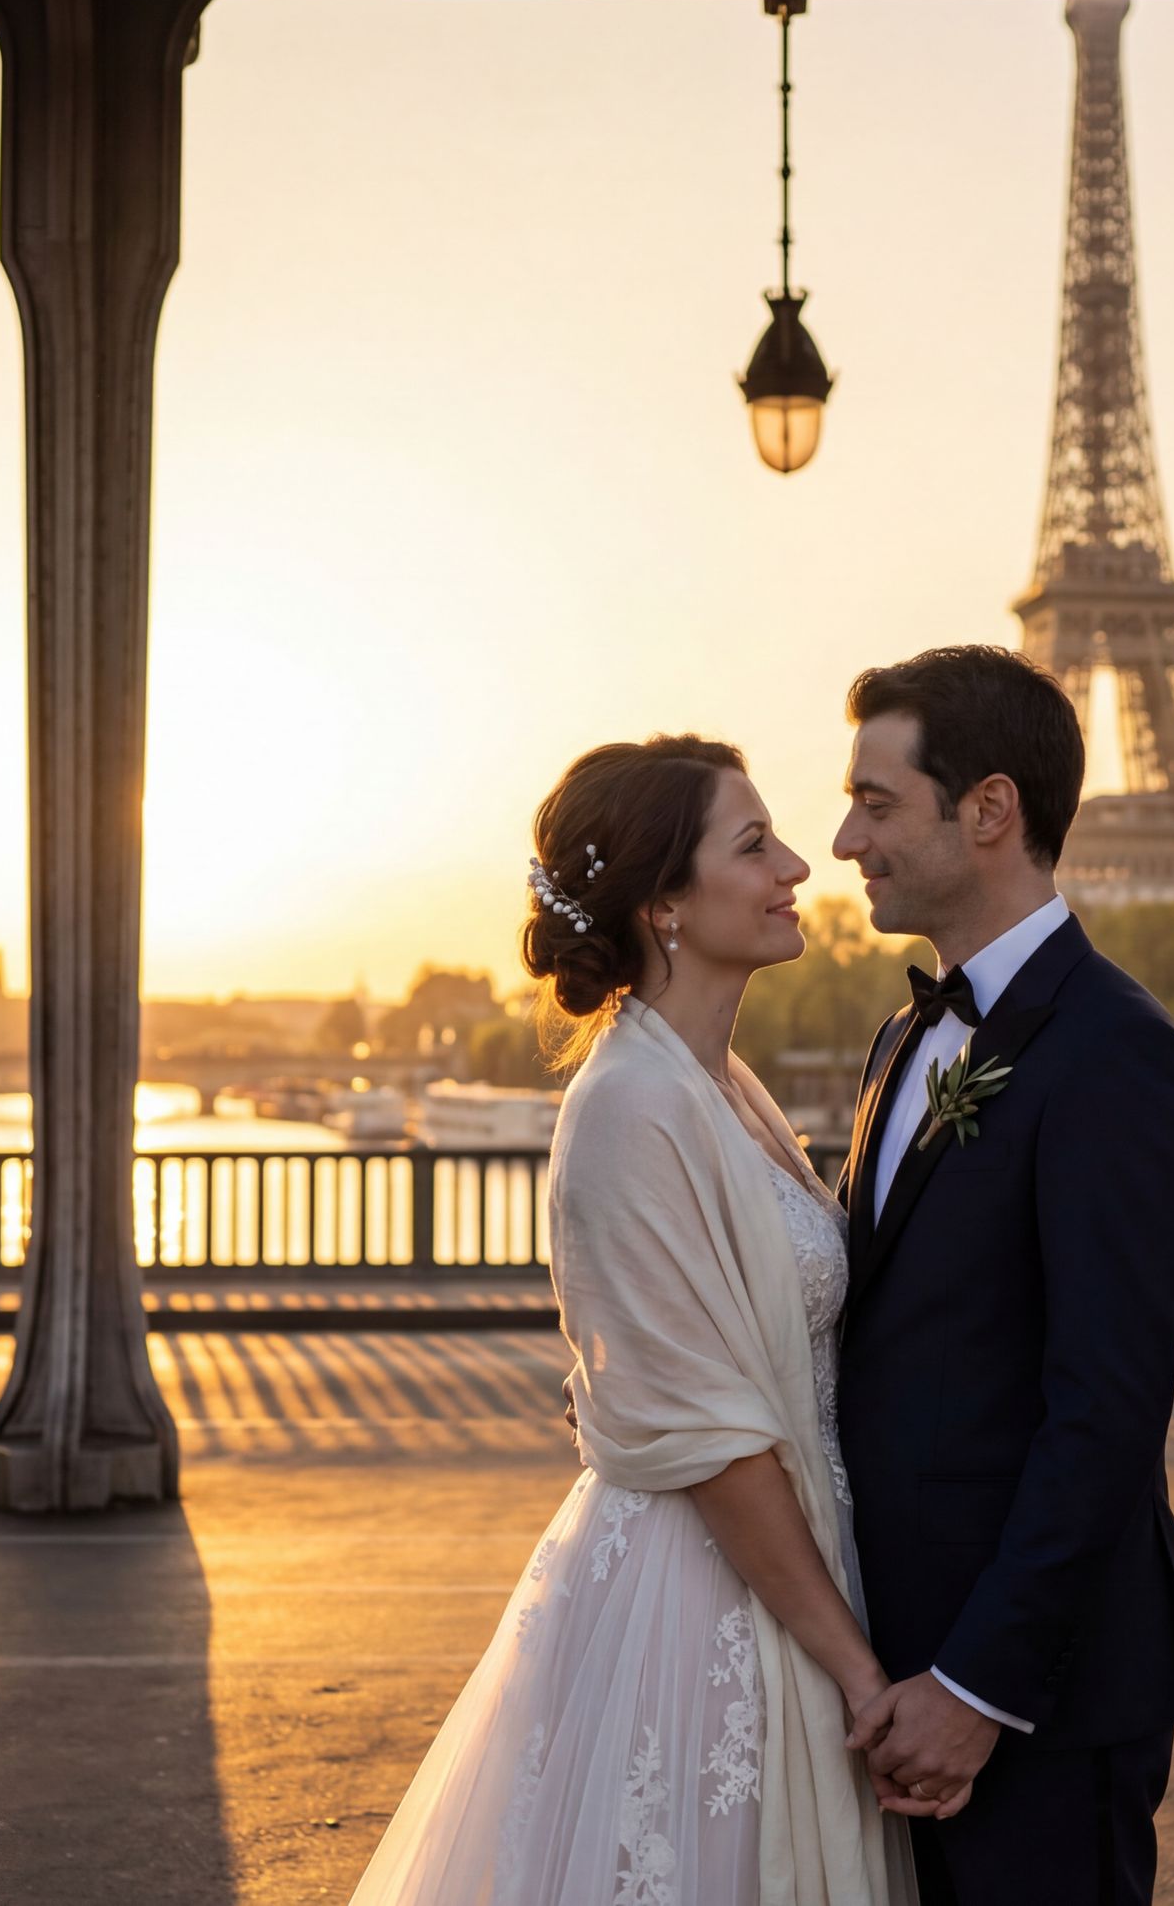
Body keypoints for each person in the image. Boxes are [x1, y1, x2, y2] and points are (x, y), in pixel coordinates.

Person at [349, 735, 921, 1906]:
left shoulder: (715, 1083)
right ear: (664, 901)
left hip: (784, 1569)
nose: (800, 865)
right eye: (755, 845)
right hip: (706, 1600)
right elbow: (714, 1443)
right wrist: (861, 1675)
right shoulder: (631, 1104)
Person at [831, 646, 1174, 1906]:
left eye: (877, 802)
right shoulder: (907, 1032)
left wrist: (979, 1688)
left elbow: (1104, 1411)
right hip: (897, 1680)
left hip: (1033, 1699)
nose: (844, 839)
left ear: (988, 809)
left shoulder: (1117, 1054)